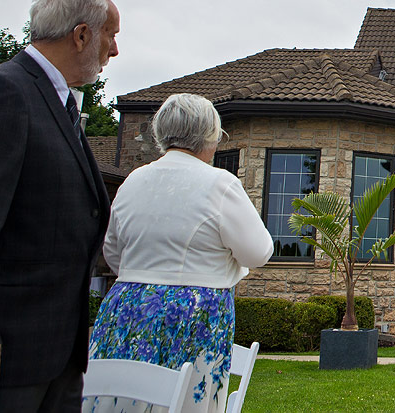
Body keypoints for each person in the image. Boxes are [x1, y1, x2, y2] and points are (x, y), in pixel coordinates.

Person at [0, 0, 118, 413]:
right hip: (7, 356)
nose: (114, 51)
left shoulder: (59, 103)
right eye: (110, 36)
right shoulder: (5, 92)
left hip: (57, 357)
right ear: (82, 35)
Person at [86, 93, 273, 413]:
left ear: (161, 133)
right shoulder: (219, 184)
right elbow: (258, 252)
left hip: (127, 305)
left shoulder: (133, 181)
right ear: (211, 136)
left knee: (121, 399)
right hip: (193, 311)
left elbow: (113, 253)